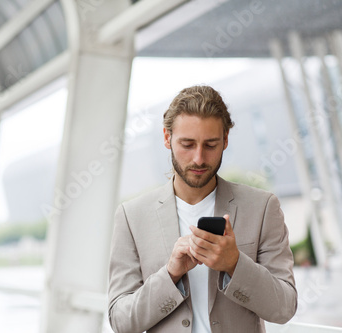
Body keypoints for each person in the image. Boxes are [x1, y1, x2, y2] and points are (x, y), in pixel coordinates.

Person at [108, 85, 297, 333]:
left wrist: (235, 264)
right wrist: (170, 274)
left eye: (210, 145)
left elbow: (284, 308)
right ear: (167, 138)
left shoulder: (262, 208)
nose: (198, 158)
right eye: (187, 144)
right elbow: (121, 321)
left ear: (226, 140)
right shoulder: (132, 217)